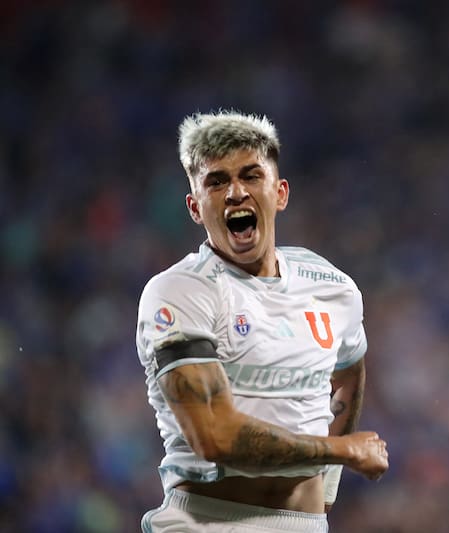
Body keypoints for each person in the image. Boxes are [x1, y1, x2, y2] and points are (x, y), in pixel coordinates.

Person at [135, 110, 388, 532]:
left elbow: (348, 372)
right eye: (217, 182)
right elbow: (213, 436)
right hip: (207, 523)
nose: (236, 192)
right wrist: (340, 450)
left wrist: (324, 490)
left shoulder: (331, 287)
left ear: (280, 193)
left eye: (251, 176)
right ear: (195, 207)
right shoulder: (179, 291)